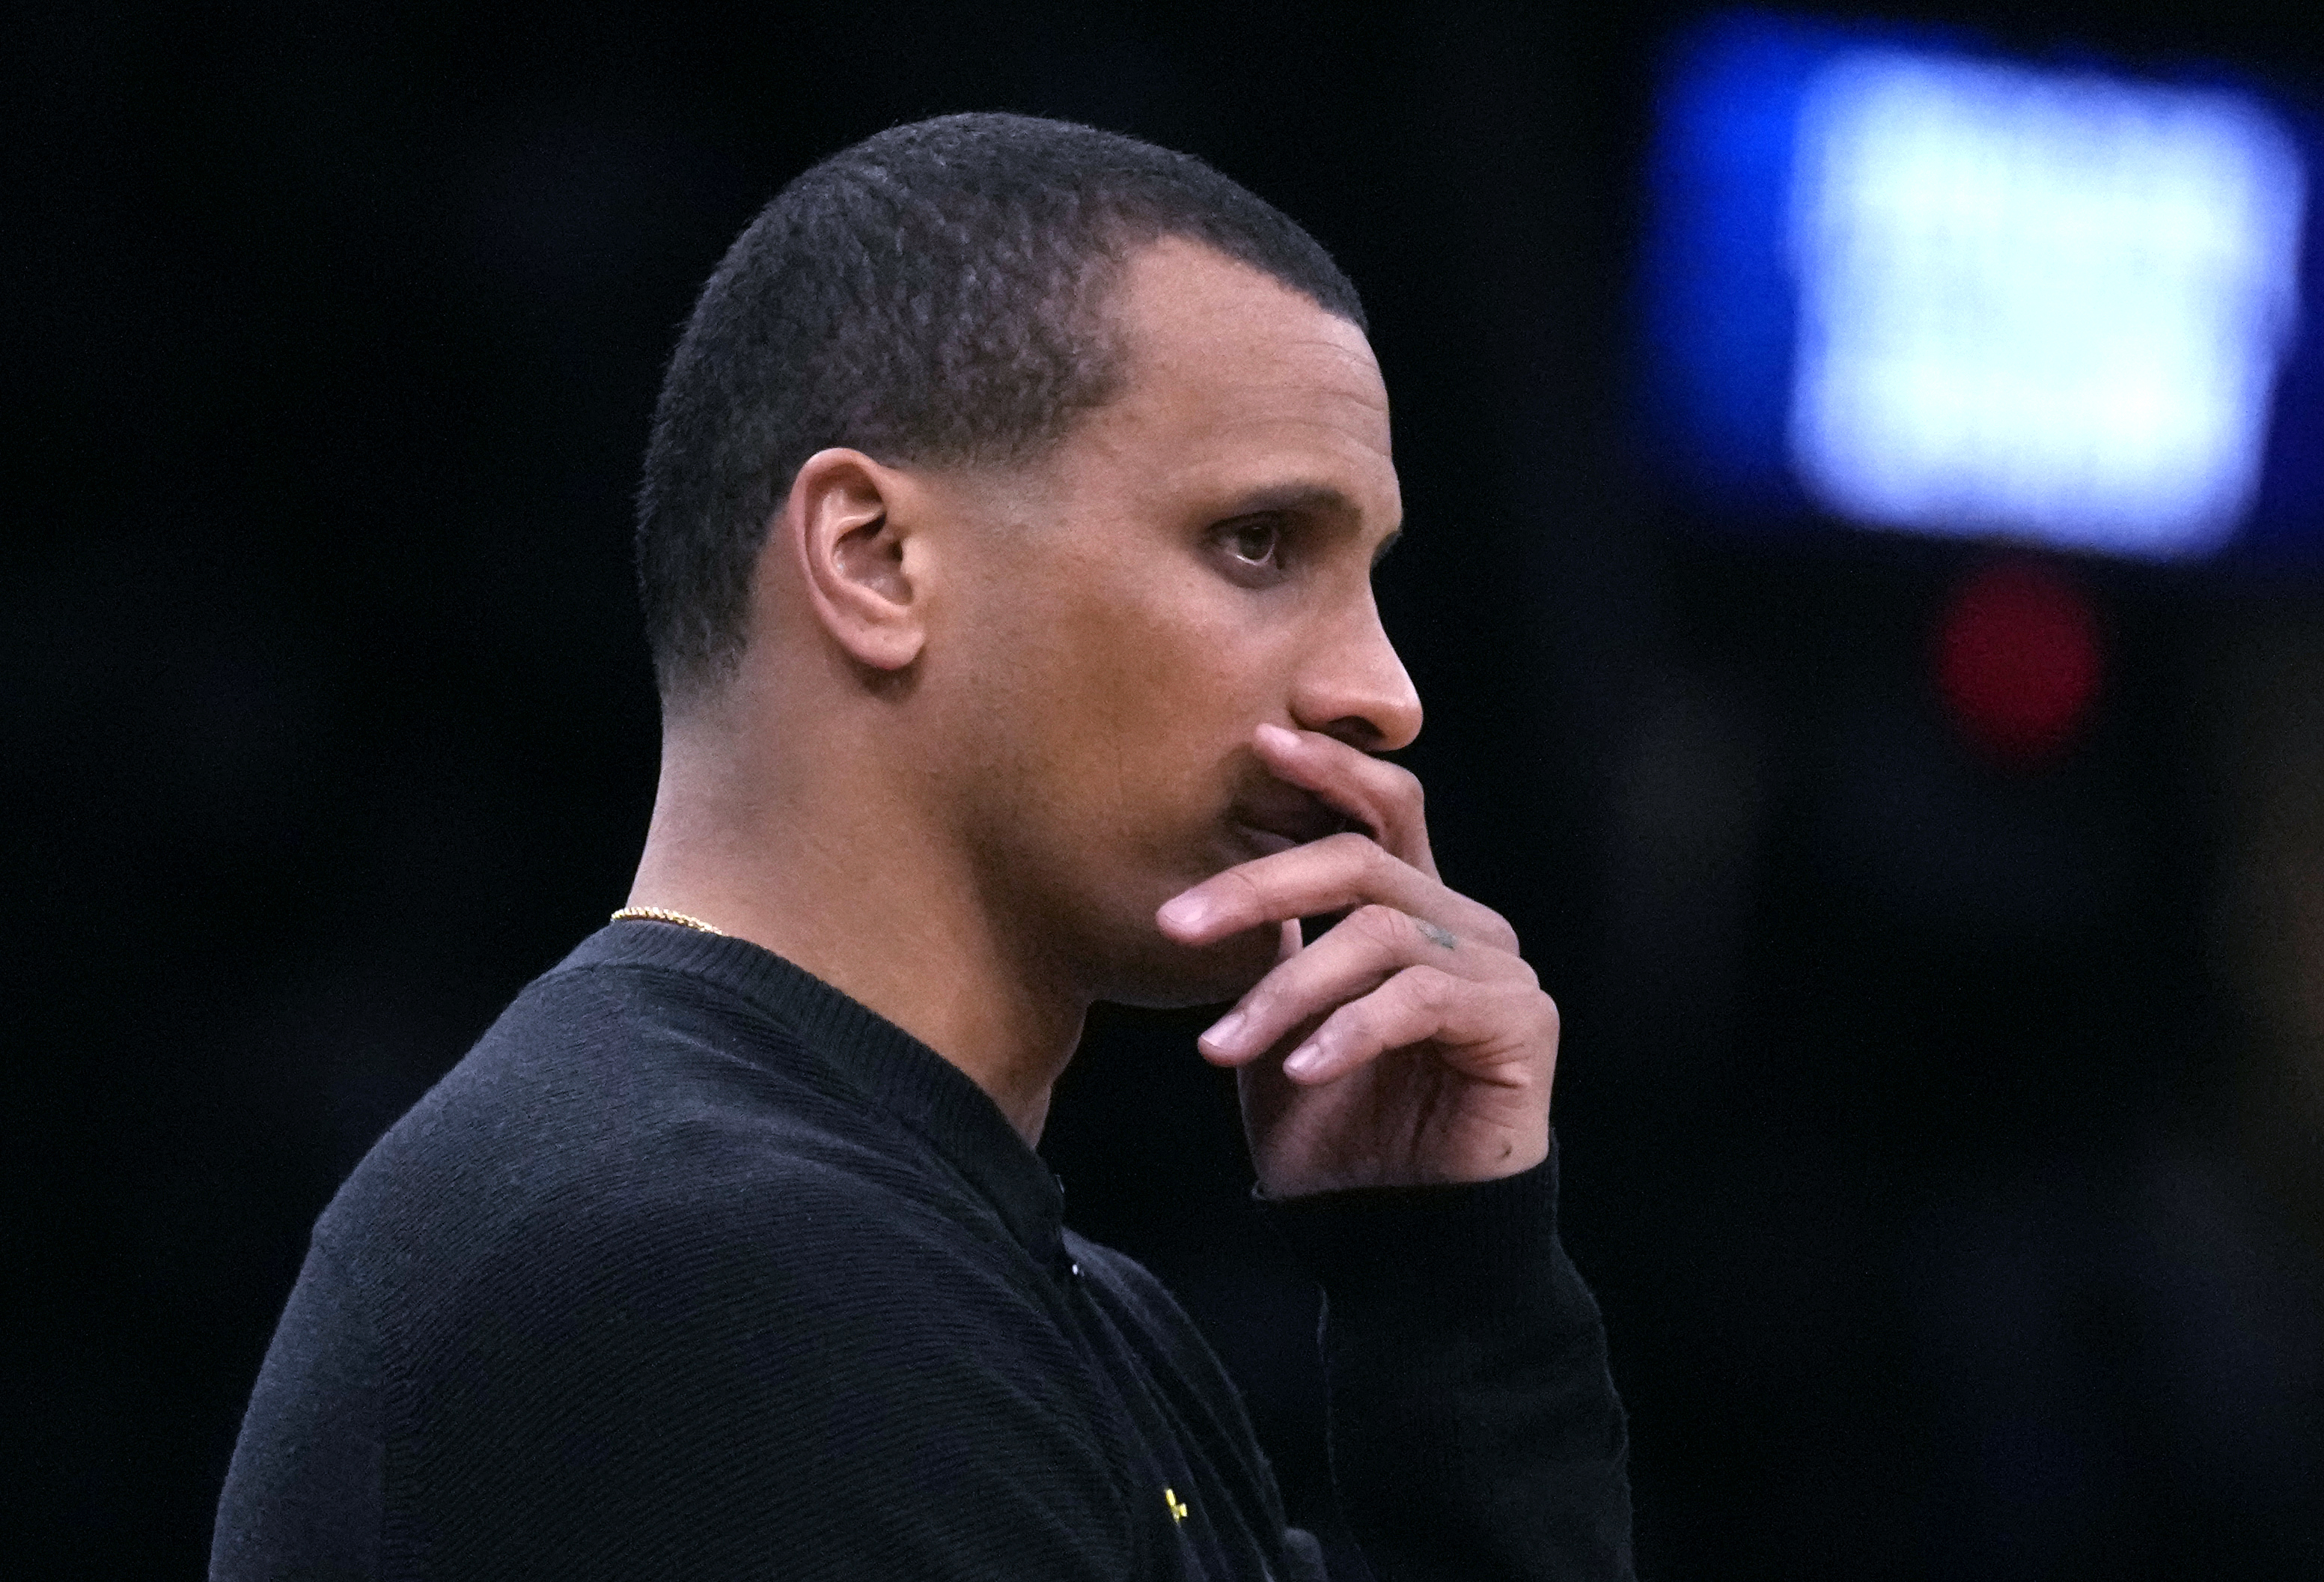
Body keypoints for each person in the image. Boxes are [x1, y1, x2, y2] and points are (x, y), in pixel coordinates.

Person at [212, 112, 1633, 1581]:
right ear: (874, 560)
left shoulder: (1001, 1287)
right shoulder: (721, 1272)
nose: (1384, 694)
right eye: (1256, 542)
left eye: (1366, 575)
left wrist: (1449, 1289)